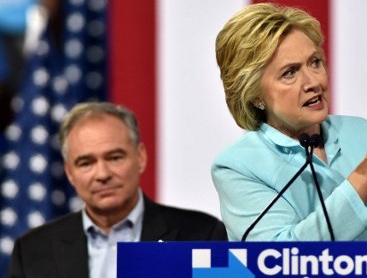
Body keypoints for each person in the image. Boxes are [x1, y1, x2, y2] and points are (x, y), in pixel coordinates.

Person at [212, 3, 367, 242]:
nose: (313, 82)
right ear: (255, 96)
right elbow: (280, 259)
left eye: (315, 62)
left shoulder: (362, 134)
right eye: (290, 72)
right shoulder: (239, 166)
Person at [7, 102, 228, 278]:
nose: (102, 174)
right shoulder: (32, 251)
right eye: (86, 163)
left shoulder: (202, 236)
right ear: (69, 173)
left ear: (140, 157)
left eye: (114, 157)